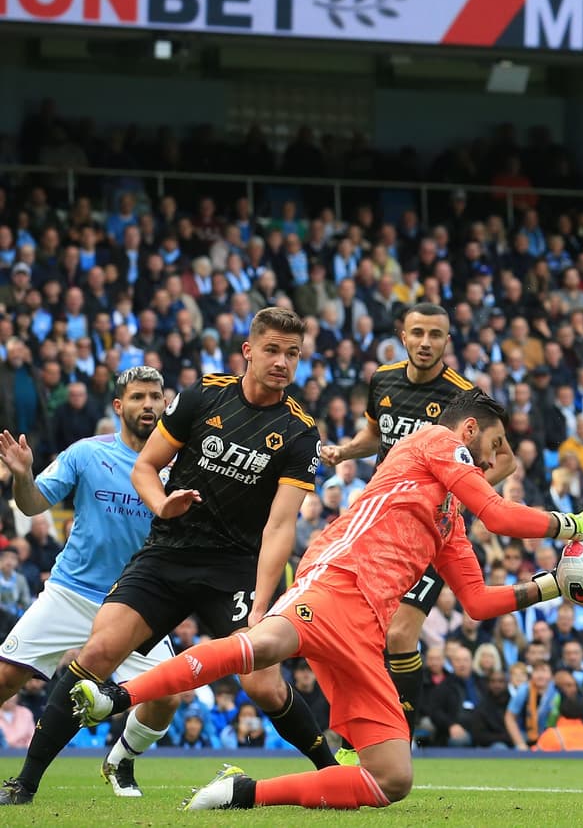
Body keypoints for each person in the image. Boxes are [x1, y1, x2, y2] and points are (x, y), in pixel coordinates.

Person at [71, 389, 583, 811]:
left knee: (392, 779)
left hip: (366, 629)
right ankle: (115, 698)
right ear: (472, 429)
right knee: (260, 648)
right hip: (337, 575)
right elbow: (502, 515)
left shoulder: (449, 517)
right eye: (496, 446)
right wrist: (577, 521)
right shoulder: (436, 440)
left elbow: (478, 602)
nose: (498, 459)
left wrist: (554, 585)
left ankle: (242, 793)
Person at [0, 308, 335, 807]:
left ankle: (330, 774)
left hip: (234, 569)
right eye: (272, 349)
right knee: (95, 656)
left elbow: (280, 524)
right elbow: (147, 466)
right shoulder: (203, 395)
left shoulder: (299, 431)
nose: (282, 362)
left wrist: (263, 605)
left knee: (263, 685)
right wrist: (162, 505)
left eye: (292, 353)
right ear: (248, 350)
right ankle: (24, 785)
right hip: (168, 554)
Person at [319, 302, 513, 754]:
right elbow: (377, 434)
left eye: (435, 335)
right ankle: (360, 736)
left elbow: (505, 458)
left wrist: (464, 492)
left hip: (430, 530)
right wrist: (346, 452)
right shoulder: (382, 380)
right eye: (417, 333)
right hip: (379, 529)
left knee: (401, 635)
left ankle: (398, 735)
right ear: (402, 337)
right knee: (363, 635)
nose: (426, 342)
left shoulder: (466, 399)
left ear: (448, 341)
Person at [0, 367, 178, 798]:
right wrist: (23, 475)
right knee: (5, 676)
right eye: (138, 397)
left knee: (167, 697)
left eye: (156, 397)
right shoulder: (84, 453)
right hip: (72, 590)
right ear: (119, 406)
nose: (148, 405)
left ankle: (121, 760)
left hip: (136, 600)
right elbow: (31, 504)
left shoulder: (179, 465)